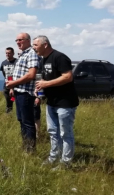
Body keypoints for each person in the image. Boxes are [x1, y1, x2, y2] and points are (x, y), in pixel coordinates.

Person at [33, 35, 79, 169]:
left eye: (35, 45)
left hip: (65, 102)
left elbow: (68, 77)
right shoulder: (43, 60)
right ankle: (53, 157)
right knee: (53, 132)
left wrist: (46, 84)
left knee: (66, 133)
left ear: (45, 44)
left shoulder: (59, 57)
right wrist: (40, 92)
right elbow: (44, 79)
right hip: (51, 102)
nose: (34, 47)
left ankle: (65, 163)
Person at [6, 32, 39, 153]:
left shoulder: (32, 54)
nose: (18, 42)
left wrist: (14, 83)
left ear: (28, 40)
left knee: (28, 122)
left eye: (21, 40)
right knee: (21, 120)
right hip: (19, 92)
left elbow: (31, 75)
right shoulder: (22, 54)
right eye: (17, 40)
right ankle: (25, 145)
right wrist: (13, 87)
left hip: (25, 93)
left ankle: (30, 149)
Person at [0, 47, 17, 114]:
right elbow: (4, 74)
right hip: (7, 86)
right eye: (6, 53)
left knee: (16, 100)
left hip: (16, 85)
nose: (7, 54)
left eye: (9, 53)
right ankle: (9, 115)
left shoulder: (17, 62)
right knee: (9, 102)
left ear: (13, 53)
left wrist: (12, 87)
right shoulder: (3, 63)